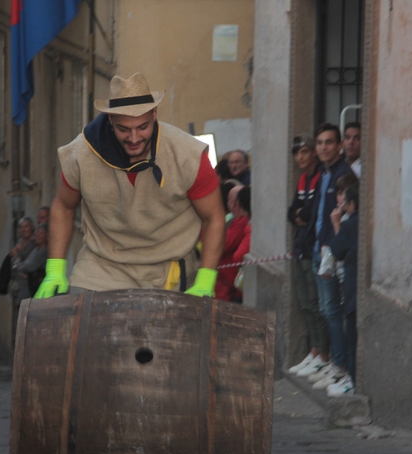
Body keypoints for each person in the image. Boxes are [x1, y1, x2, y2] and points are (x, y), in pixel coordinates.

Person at [34, 73, 224, 298]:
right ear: (110, 121)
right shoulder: (81, 155)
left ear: (154, 114)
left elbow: (214, 218)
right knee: (77, 328)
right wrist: (54, 270)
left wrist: (206, 279)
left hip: (166, 269)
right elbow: (64, 207)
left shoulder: (187, 155)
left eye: (142, 127)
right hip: (101, 266)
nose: (134, 138)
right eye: (124, 129)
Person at [294, 123, 355, 383]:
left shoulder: (344, 174)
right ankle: (329, 360)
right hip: (320, 248)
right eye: (319, 143)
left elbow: (344, 212)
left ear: (339, 145)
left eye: (329, 142)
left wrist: (331, 244)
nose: (323, 147)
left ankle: (339, 365)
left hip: (333, 250)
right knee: (323, 308)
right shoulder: (324, 173)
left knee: (332, 311)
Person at [286, 135, 330, 376]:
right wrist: (298, 216)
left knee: (317, 304)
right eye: (297, 153)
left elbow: (311, 214)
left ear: (314, 153)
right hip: (300, 246)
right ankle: (314, 351)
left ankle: (324, 353)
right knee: (305, 303)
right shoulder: (303, 179)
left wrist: (301, 216)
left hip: (313, 247)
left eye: (304, 151)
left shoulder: (322, 178)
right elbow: (292, 211)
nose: (300, 157)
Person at [327, 183, 359, 397]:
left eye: (344, 202)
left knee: (352, 334)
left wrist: (336, 223)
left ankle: (353, 380)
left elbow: (337, 249)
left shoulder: (349, 225)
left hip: (352, 284)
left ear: (351, 204)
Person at [215, 185, 250, 302]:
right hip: (226, 286)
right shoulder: (233, 220)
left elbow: (218, 246)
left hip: (230, 288)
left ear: (234, 204)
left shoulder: (241, 223)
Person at [16, 224, 48, 300]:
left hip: (38, 290)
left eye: (41, 233)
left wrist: (21, 269)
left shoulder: (44, 251)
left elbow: (30, 267)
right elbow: (25, 263)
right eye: (37, 232)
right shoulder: (36, 250)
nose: (38, 235)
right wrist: (21, 268)